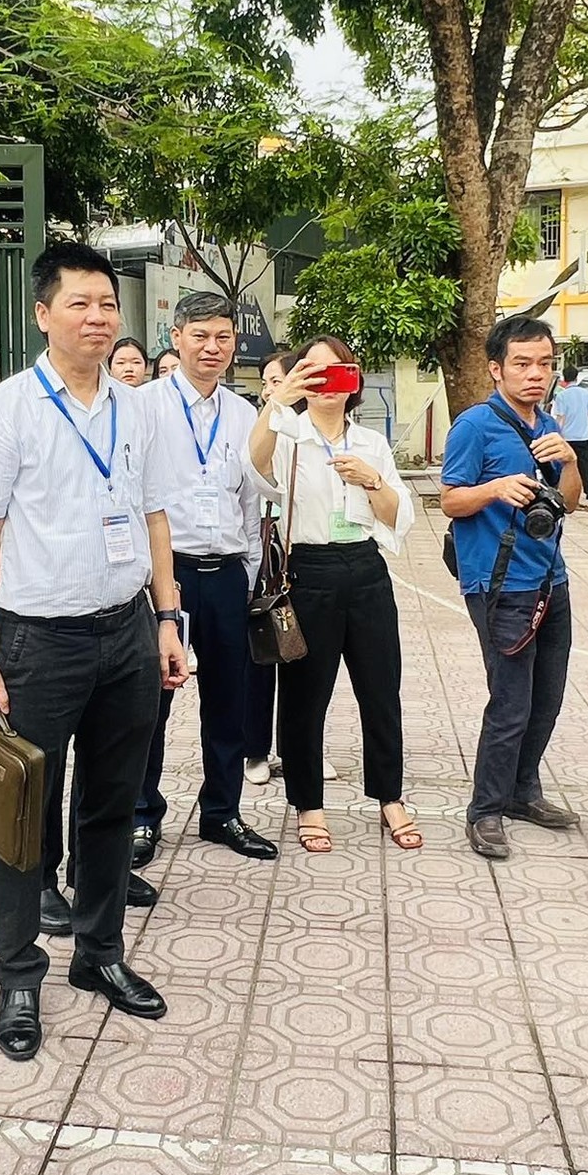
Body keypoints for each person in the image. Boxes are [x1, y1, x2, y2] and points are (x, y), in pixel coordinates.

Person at [0, 242, 189, 1062]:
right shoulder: (4, 411)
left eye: (106, 305)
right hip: (36, 641)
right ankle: (19, 975)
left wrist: (169, 620)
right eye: (79, 304)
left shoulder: (141, 409)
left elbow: (154, 516)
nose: (97, 318)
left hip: (126, 630)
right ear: (42, 313)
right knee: (19, 815)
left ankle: (99, 955)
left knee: (109, 802)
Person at [248, 336, 419, 855]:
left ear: (353, 380)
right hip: (309, 571)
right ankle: (309, 804)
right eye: (312, 372)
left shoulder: (371, 443)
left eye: (336, 371)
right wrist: (278, 402)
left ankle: (389, 796)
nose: (325, 382)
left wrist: (373, 482)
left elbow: (397, 516)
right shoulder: (288, 434)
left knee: (381, 688)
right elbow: (254, 469)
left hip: (366, 570)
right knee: (304, 695)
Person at [137, 290, 277, 863]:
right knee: (150, 707)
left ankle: (222, 812)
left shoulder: (246, 416)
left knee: (229, 703)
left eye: (223, 337)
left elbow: (249, 505)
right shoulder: (141, 408)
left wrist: (244, 572)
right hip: (163, 581)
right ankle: (143, 816)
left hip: (225, 579)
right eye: (200, 336)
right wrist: (151, 585)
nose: (212, 348)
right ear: (176, 339)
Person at [440, 314, 583, 861]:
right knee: (511, 703)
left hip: (553, 578)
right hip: (500, 586)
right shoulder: (476, 425)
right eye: (522, 364)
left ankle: (524, 792)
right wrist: (495, 488)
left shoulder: (549, 425)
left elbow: (568, 502)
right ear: (496, 368)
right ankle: (486, 810)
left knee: (547, 697)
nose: (535, 374)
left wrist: (569, 461)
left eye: (544, 364)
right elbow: (451, 500)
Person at [243, 352, 291, 787]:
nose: (268, 388)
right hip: (263, 556)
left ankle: (297, 748)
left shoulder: (315, 427)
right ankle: (255, 750)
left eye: (277, 379)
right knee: (262, 654)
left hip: (304, 560)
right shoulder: (258, 423)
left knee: (301, 658)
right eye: (266, 381)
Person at [551, 364, 588, 498]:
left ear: (564, 379)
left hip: (567, 437)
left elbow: (561, 417)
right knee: (585, 464)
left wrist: (558, 432)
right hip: (582, 436)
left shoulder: (561, 396)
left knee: (565, 465)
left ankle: (564, 491)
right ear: (577, 377)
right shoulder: (586, 394)